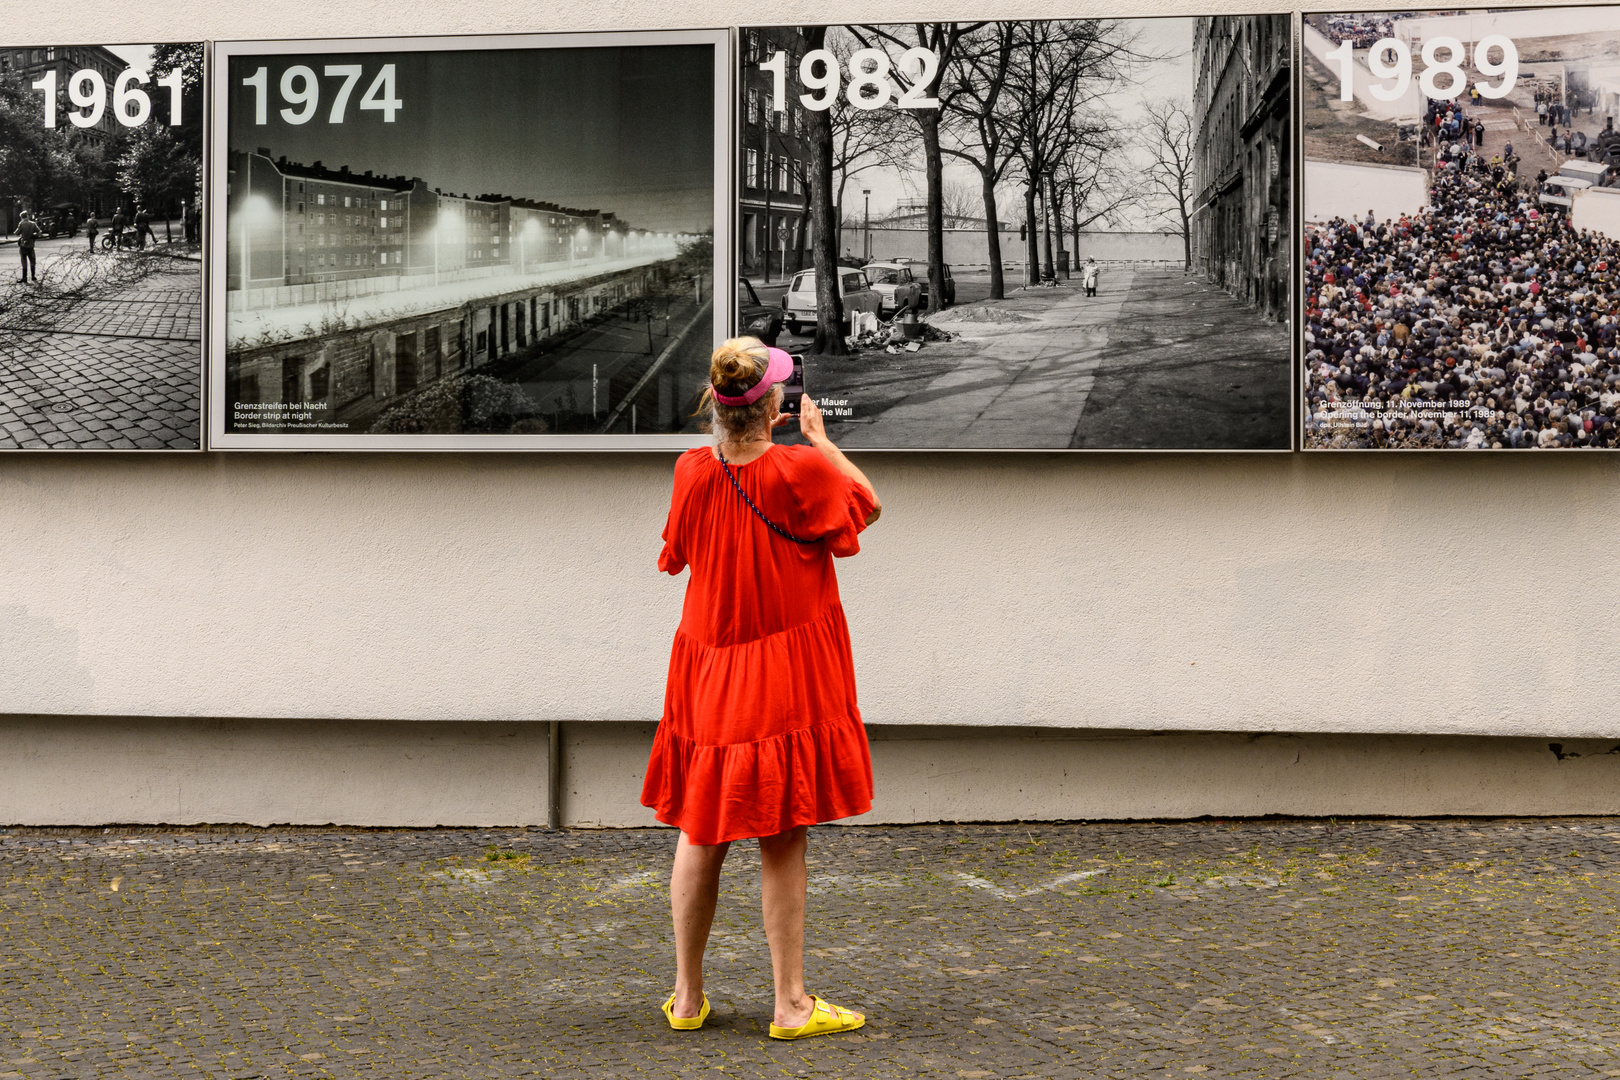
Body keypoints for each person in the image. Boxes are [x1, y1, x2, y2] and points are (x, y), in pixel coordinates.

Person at [643, 337, 880, 1040]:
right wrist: (820, 441)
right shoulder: (800, 471)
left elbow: (678, 553)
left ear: (716, 407)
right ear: (772, 404)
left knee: (701, 825)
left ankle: (687, 998)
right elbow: (867, 506)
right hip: (780, 675)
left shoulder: (692, 469)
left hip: (709, 668)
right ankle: (790, 1004)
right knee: (781, 834)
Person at [16, 211, 39, 284]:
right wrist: (33, 235)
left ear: (21, 217)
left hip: (23, 244)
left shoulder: (21, 224)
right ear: (27, 216)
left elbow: (17, 233)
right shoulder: (33, 224)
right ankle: (33, 276)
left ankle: (24, 277)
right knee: (32, 260)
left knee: (24, 260)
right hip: (31, 244)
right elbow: (39, 232)